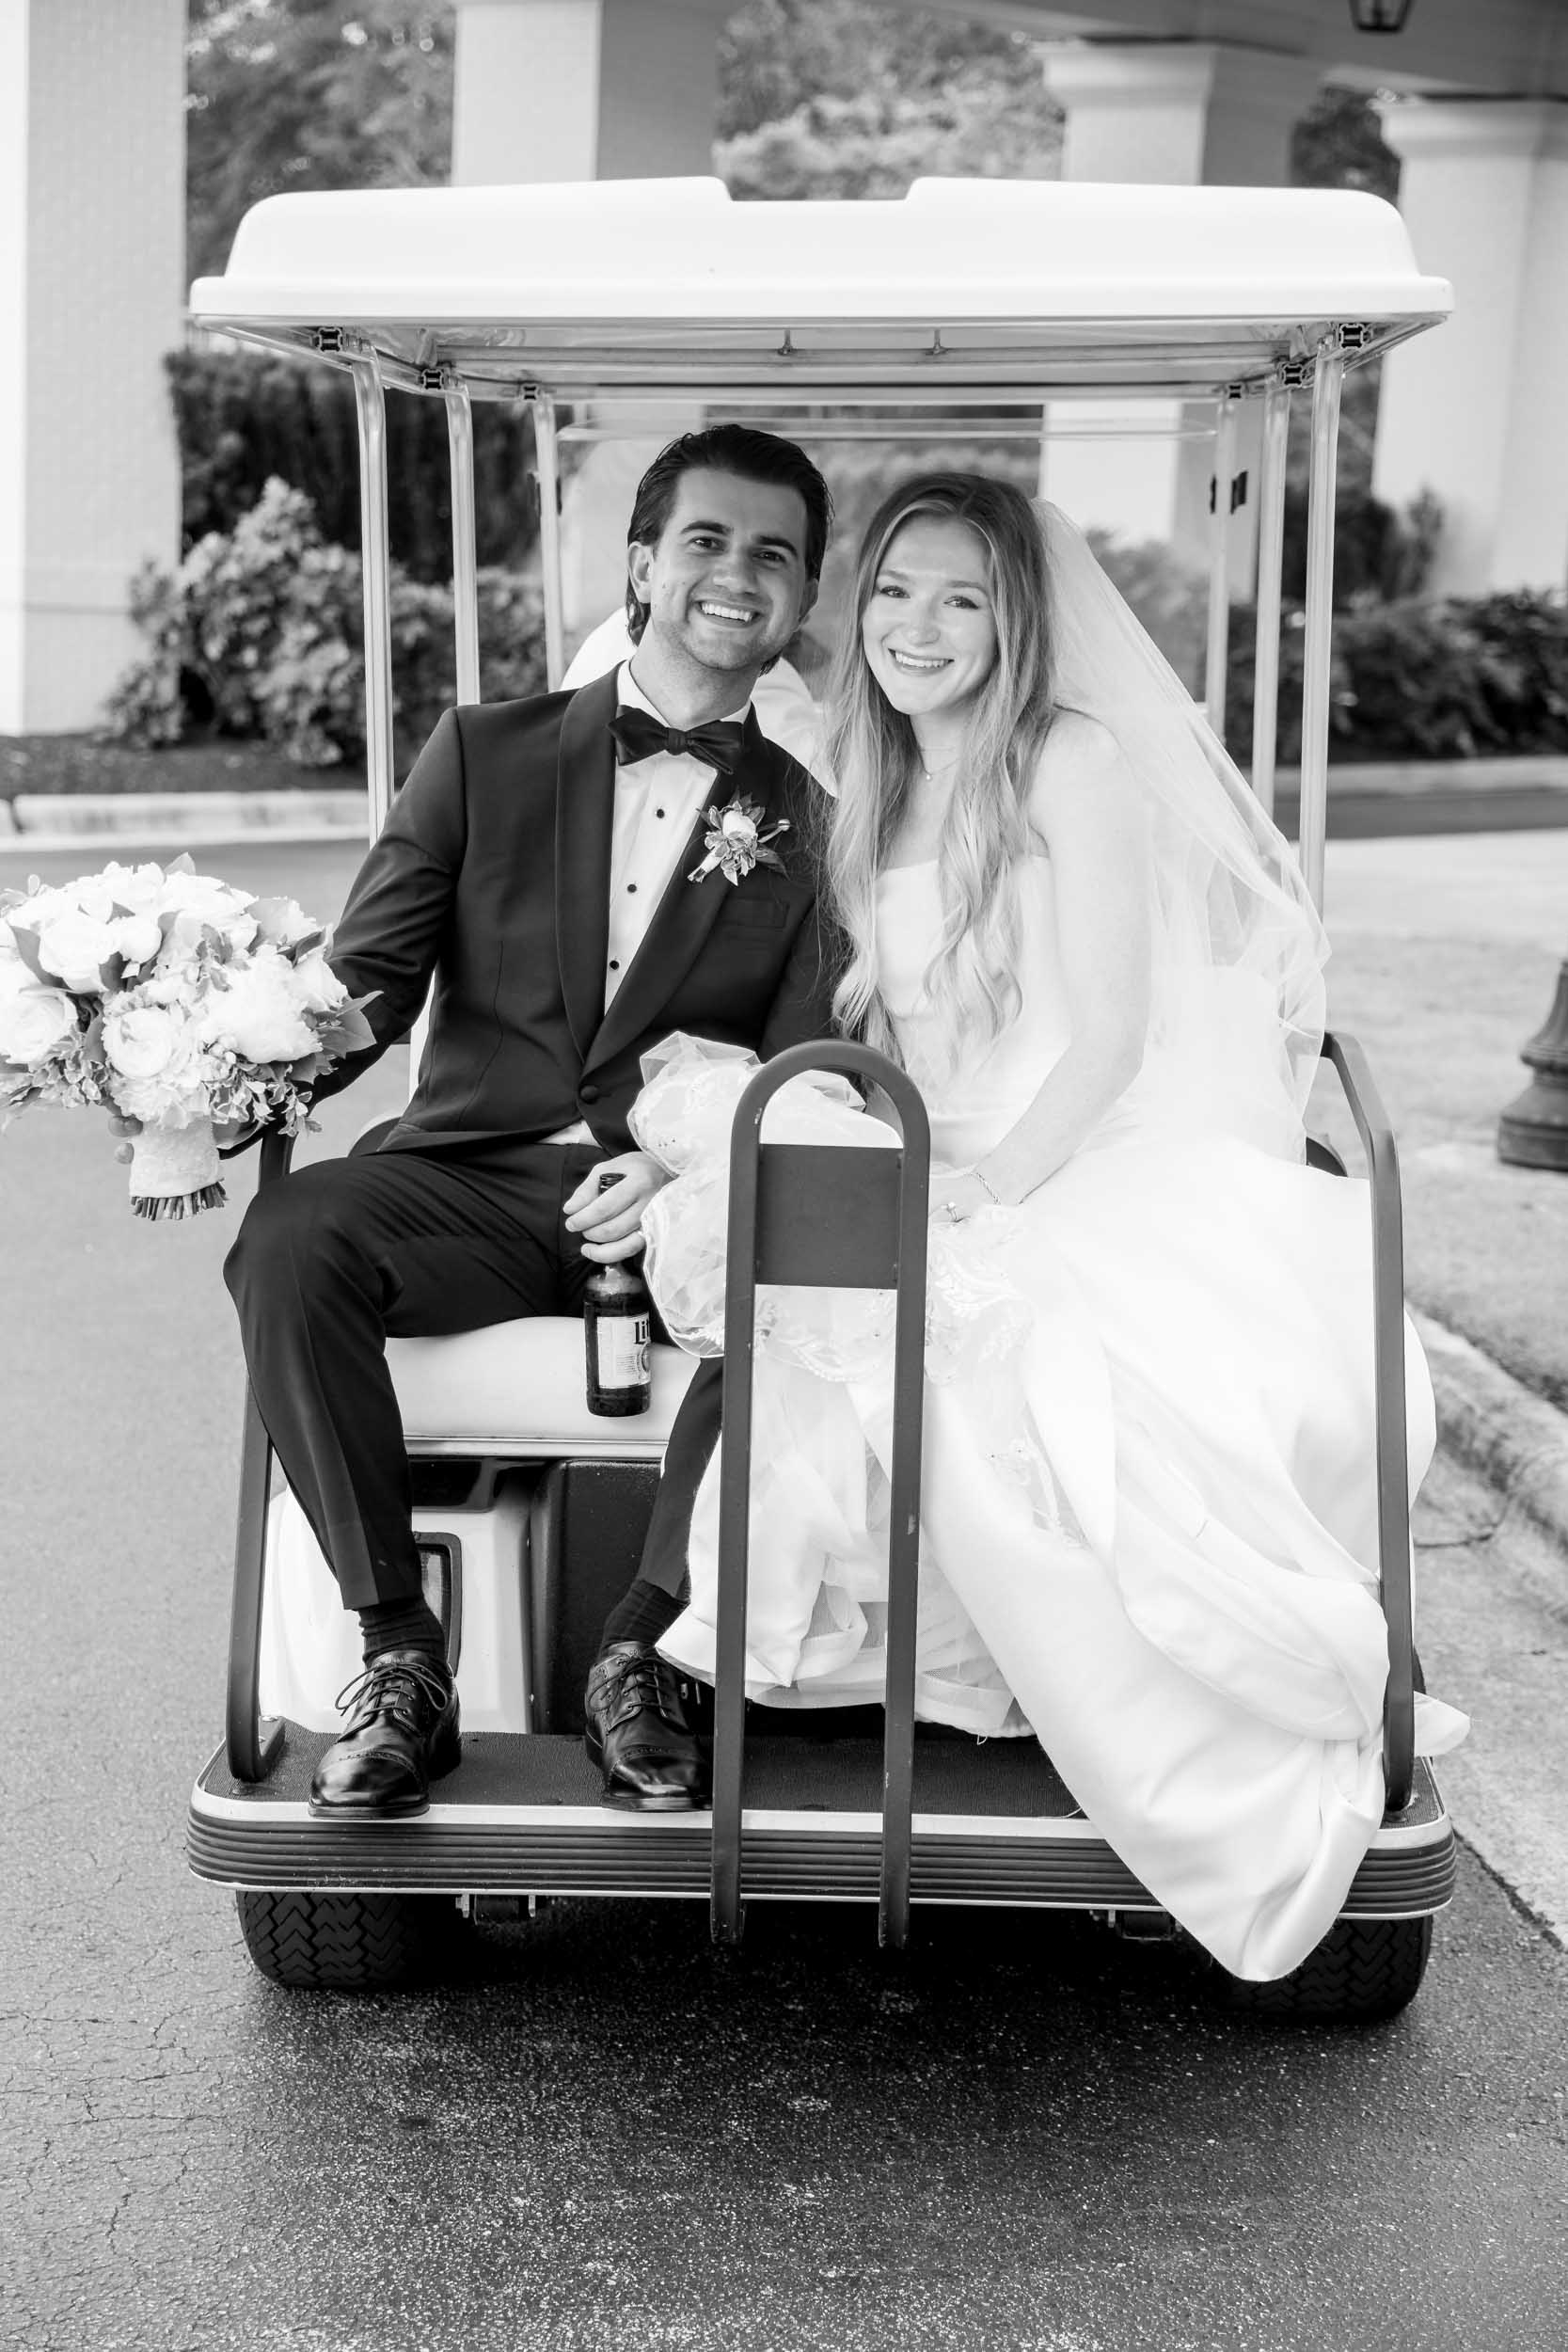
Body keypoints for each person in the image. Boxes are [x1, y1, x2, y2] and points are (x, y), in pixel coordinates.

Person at [627, 472, 1467, 1981]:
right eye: (891, 591)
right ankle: (724, 1664)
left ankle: (1100, 1719)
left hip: (1079, 1144)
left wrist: (992, 1189)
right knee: (807, 1244)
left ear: (1018, 615)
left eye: (960, 596)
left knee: (998, 1349)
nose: (916, 626)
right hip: (936, 1143)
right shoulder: (869, 777)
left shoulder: (1070, 765)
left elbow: (1113, 1040)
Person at [214, 422, 839, 1821]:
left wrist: (685, 1171)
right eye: (707, 540)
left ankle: (643, 1658)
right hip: (474, 1185)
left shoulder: (813, 823)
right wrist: (213, 1079)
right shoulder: (479, 753)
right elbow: (364, 990)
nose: (737, 575)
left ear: (803, 602)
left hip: (672, 1205)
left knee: (803, 1289)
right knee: (294, 1236)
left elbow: (803, 1070)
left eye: (774, 555)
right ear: (641, 563)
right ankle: (397, 1663)